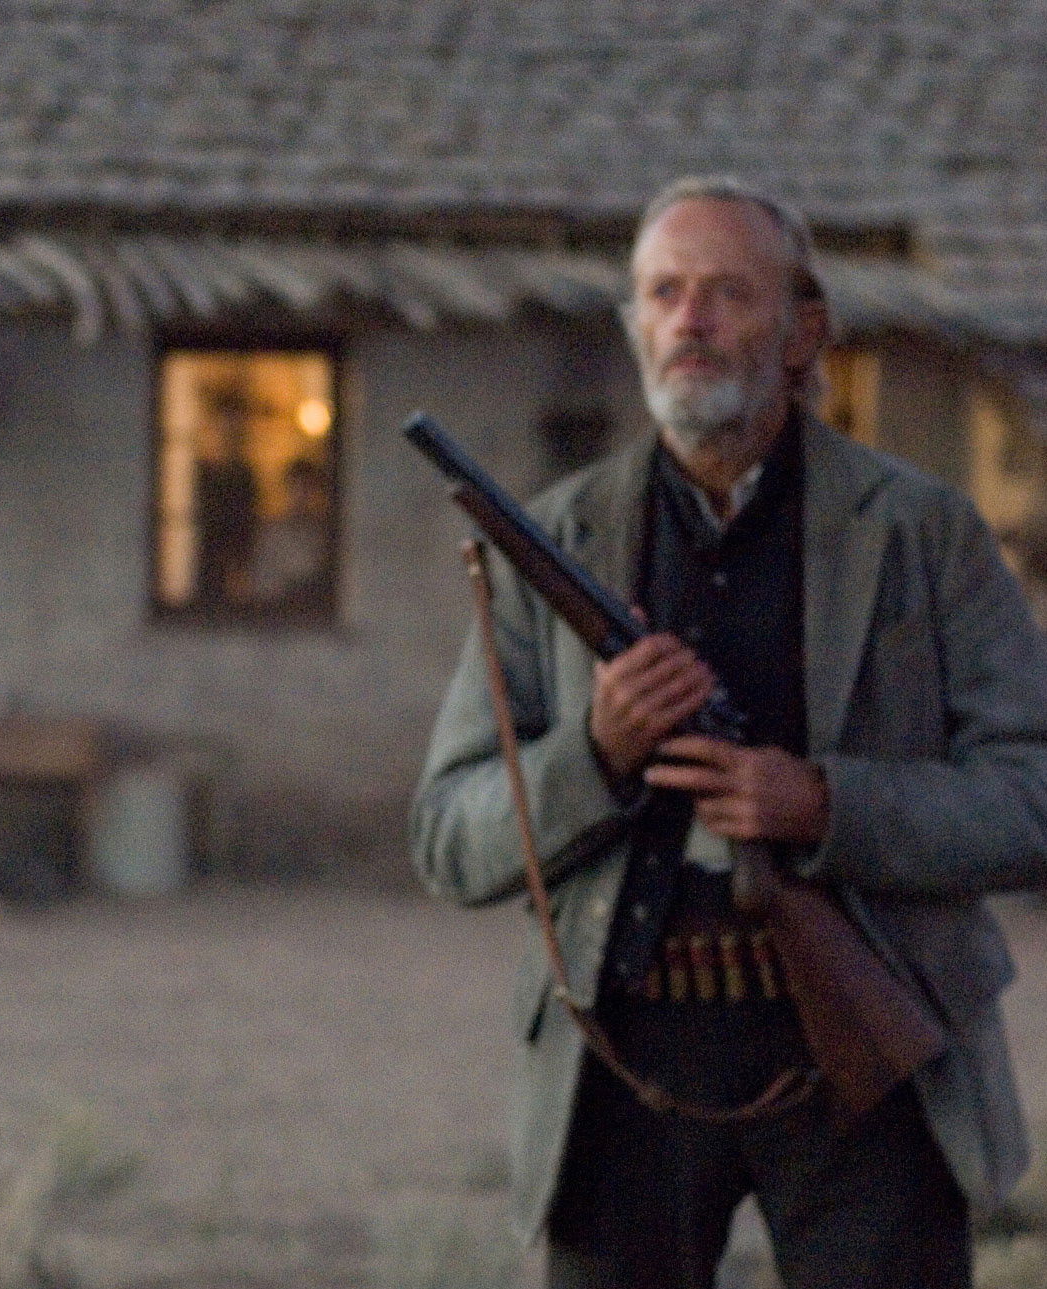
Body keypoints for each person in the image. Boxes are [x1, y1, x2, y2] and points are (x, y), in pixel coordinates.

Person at [412, 175, 1047, 1288]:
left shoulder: (924, 533)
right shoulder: (554, 538)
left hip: (866, 1058)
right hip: (621, 1062)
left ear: (804, 332)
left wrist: (825, 803)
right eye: (664, 293)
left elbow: (1031, 793)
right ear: (635, 328)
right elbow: (447, 838)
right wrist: (594, 755)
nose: (690, 321)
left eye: (728, 293)